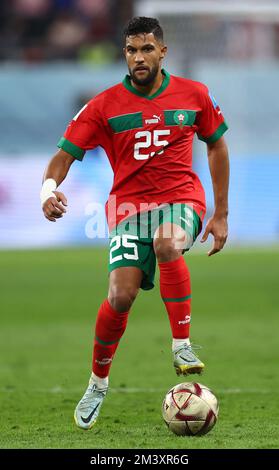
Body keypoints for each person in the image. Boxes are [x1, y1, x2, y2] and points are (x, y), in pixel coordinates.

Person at [41, 16, 229, 430]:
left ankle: (181, 345)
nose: (139, 57)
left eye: (147, 49)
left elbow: (216, 145)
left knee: (167, 243)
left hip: (182, 200)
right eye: (131, 50)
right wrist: (47, 190)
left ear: (163, 51)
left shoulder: (194, 95)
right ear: (124, 54)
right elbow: (64, 154)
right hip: (127, 210)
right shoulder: (104, 104)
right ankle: (97, 383)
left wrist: (221, 212)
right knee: (120, 297)